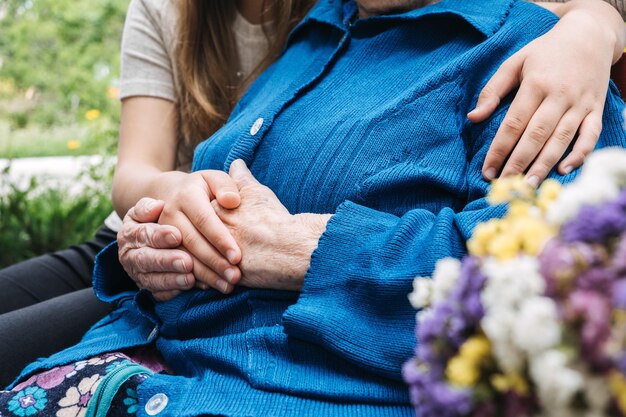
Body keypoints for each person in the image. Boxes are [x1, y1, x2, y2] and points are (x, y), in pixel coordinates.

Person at [5, 1, 626, 416]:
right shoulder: (313, 31)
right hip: (136, 350)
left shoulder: (525, 56)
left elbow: (556, 292)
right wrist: (159, 245)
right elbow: (181, 187)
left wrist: (302, 248)